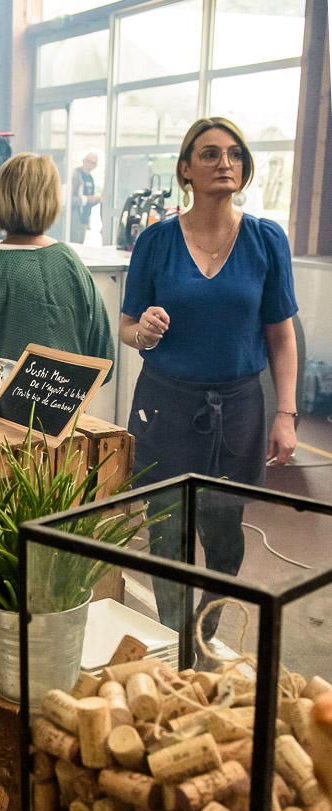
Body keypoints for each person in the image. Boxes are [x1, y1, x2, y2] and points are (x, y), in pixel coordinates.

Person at [119, 116, 298, 641]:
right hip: (165, 406)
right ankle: (178, 646)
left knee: (224, 540)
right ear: (185, 170)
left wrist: (286, 415)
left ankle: (202, 630)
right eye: (211, 153)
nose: (226, 163)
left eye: (235, 154)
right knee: (166, 538)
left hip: (238, 410)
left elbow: (281, 337)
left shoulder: (266, 240)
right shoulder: (156, 241)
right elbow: (126, 328)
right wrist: (143, 332)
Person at [0, 153, 114, 365]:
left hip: (1, 388)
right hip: (70, 388)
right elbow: (103, 357)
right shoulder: (71, 262)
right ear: (53, 199)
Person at [70, 151, 101, 244]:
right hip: (74, 221)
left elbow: (89, 200)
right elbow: (69, 200)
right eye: (88, 161)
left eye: (93, 163)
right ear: (83, 161)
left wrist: (95, 200)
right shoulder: (75, 175)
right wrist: (86, 199)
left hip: (84, 220)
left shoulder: (90, 178)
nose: (90, 165)